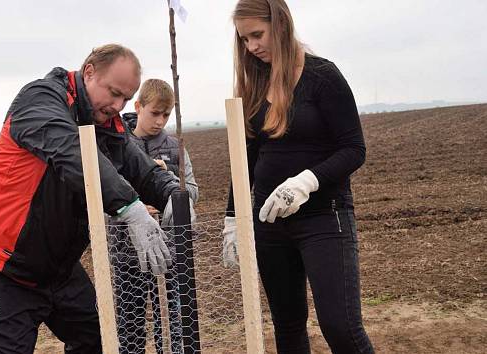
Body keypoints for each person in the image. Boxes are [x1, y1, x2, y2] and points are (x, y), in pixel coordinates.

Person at [0, 44, 182, 353]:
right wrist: (129, 207)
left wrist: (173, 195)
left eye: (127, 99)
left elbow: (139, 168)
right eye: (113, 93)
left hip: (56, 268)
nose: (118, 105)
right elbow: (70, 152)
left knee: (100, 341)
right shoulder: (40, 100)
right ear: (89, 72)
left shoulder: (106, 123)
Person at [221, 1, 375, 353]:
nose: (252, 47)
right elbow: (245, 157)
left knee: (341, 328)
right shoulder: (254, 86)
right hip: (269, 223)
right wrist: (233, 218)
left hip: (324, 217)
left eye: (257, 35)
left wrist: (304, 182)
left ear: (281, 23)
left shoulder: (323, 77)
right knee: (288, 328)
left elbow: (353, 149)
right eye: (244, 40)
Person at [111, 79, 199, 354]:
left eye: (166, 115)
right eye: (154, 113)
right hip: (127, 251)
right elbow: (102, 194)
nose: (160, 121)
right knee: (130, 327)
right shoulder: (116, 145)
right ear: (138, 107)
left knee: (176, 325)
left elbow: (193, 193)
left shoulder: (175, 148)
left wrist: (168, 182)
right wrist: (133, 207)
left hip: (172, 252)